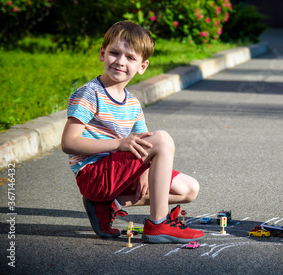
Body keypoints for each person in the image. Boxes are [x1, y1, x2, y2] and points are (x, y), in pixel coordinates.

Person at [61, 20, 204, 243]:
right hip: (94, 174)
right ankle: (158, 224)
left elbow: (145, 145)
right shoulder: (90, 94)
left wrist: (144, 173)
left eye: (130, 57)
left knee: (188, 189)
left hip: (118, 173)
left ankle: (108, 205)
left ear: (142, 66)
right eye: (114, 53)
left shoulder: (132, 103)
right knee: (163, 139)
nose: (120, 61)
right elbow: (69, 143)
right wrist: (118, 144)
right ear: (102, 53)